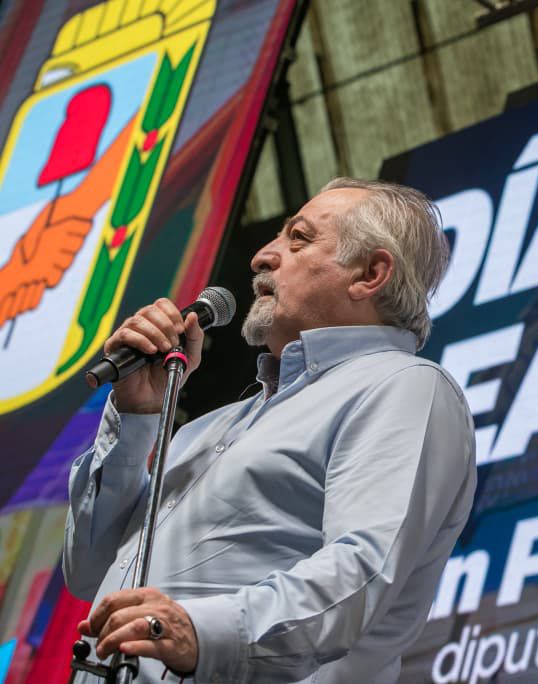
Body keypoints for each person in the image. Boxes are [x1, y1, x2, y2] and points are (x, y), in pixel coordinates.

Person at [63, 178, 477, 683]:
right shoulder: (206, 431)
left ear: (370, 274)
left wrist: (202, 633)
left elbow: (361, 574)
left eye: (298, 238)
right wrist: (137, 417)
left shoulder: (403, 385)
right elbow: (88, 571)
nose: (262, 256)